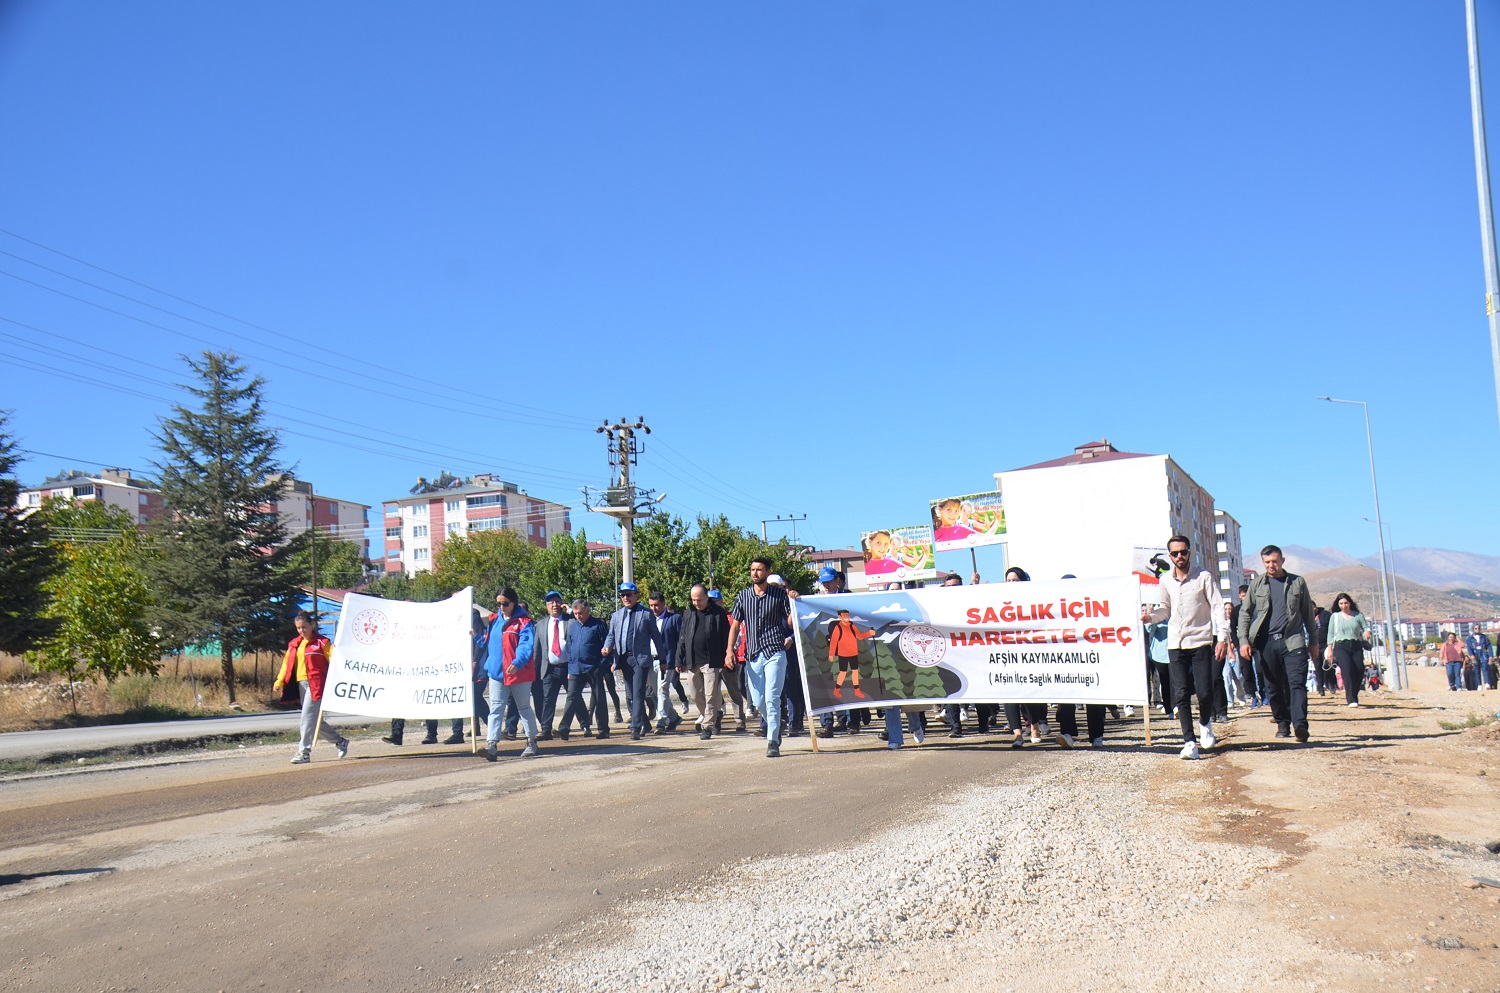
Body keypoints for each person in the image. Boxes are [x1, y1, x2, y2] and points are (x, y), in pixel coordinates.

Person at [1144, 535, 1229, 760]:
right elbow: (1166, 609)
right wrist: (1150, 617)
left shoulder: (1204, 577)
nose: (1179, 556)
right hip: (1175, 644)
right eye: (1175, 553)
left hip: (1200, 641)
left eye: (1183, 552)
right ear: (1170, 556)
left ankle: (1205, 724)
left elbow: (1218, 607)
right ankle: (1189, 742)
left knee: (1204, 691)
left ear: (1189, 553)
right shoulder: (1165, 581)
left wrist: (1222, 638)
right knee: (1180, 693)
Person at [1236, 545, 1319, 743]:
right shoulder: (1256, 585)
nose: (1271, 565)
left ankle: (1300, 725)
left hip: (1293, 641)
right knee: (1272, 686)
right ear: (1263, 563)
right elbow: (1245, 613)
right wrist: (1243, 641)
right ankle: (1283, 723)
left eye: (1274, 561)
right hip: (1265, 643)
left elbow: (1307, 613)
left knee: (1297, 684)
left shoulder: (1297, 582)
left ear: (1282, 560)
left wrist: (1314, 641)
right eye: (1267, 562)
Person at [728, 557, 798, 759]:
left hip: (775, 651)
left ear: (767, 572)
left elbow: (791, 624)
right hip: (753, 654)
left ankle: (773, 741)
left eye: (759, 569)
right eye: (752, 570)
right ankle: (776, 725)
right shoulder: (742, 596)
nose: (755, 573)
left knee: (771, 697)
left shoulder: (779, 595)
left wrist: (793, 603)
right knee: (758, 702)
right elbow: (734, 625)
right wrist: (729, 650)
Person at [274, 611, 350, 765]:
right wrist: (279, 681)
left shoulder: (322, 642)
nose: (301, 631)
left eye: (304, 627)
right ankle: (340, 741)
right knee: (314, 721)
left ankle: (304, 752)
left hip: (316, 685)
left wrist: (337, 651)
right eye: (298, 628)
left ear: (311, 625)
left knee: (306, 718)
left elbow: (335, 661)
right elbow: (286, 664)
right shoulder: (294, 644)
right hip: (300, 684)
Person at [604, 582, 667, 740]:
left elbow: (656, 637)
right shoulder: (616, 616)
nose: (626, 598)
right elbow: (611, 635)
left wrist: (663, 659)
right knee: (631, 694)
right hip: (623, 659)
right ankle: (645, 722)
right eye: (623, 595)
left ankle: (635, 727)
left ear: (636, 596)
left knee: (638, 693)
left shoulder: (646, 614)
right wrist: (607, 647)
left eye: (629, 594)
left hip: (640, 659)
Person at [483, 588, 540, 760]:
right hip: (497, 673)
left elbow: (526, 646)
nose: (501, 607)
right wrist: (474, 637)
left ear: (513, 602)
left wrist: (517, 662)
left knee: (523, 707)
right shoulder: (494, 620)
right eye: (499, 603)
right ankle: (491, 744)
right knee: (496, 707)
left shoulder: (524, 622)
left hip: (518, 673)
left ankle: (531, 741)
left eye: (505, 603)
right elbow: (486, 642)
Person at [677, 583, 732, 739]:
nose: (696, 603)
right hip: (693, 661)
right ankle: (713, 715)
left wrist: (727, 656)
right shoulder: (688, 614)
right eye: (694, 600)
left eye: (699, 599)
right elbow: (682, 638)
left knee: (710, 694)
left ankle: (707, 726)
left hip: (711, 661)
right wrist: (678, 659)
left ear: (707, 597)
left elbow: (726, 637)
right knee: (695, 694)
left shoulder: (718, 613)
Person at [558, 598, 608, 741]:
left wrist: (601, 664)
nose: (577, 616)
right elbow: (570, 647)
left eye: (580, 613)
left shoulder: (598, 625)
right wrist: (570, 668)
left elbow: (608, 645)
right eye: (575, 613)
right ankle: (564, 727)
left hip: (593, 667)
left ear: (587, 611)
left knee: (599, 698)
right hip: (575, 668)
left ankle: (603, 729)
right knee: (572, 697)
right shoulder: (573, 626)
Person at [530, 591, 572, 741]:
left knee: (574, 698)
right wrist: (534, 671)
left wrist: (571, 612)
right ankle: (546, 729)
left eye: (556, 601)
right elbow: (537, 650)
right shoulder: (540, 625)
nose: (554, 605)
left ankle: (585, 724)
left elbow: (580, 626)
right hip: (549, 668)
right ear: (547, 606)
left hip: (568, 667)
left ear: (561, 603)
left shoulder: (569, 620)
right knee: (548, 699)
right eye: (550, 603)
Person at [1324, 593, 1372, 707]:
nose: (1344, 605)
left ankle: (1354, 693)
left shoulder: (1358, 615)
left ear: (1350, 603)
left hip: (1356, 645)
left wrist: (1367, 631)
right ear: (1338, 604)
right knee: (1347, 670)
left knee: (1359, 670)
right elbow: (1330, 635)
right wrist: (1330, 651)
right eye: (1341, 603)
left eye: (1346, 603)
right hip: (1341, 646)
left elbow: (1365, 626)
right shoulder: (1335, 617)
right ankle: (1351, 699)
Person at [646, 590, 683, 733]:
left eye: (656, 605)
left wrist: (680, 660)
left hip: (667, 660)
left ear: (663, 604)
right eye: (651, 605)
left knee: (662, 690)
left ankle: (661, 720)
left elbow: (680, 640)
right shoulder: (648, 619)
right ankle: (673, 717)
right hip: (650, 660)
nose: (653, 608)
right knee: (657, 693)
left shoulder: (674, 618)